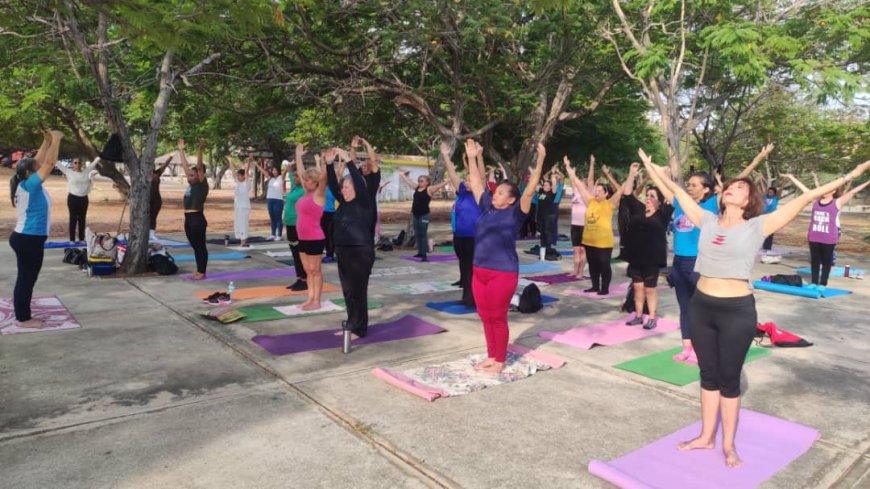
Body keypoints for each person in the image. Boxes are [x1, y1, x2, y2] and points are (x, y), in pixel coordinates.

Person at [641, 149, 868, 468]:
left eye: (740, 187)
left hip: (736, 311)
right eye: (730, 185)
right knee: (708, 375)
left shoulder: (758, 225)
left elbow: (803, 200)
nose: (732, 188)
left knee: (729, 379)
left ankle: (729, 445)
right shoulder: (705, 219)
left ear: (749, 201)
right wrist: (652, 167)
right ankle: (706, 437)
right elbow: (676, 190)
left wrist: (850, 175)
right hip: (702, 307)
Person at [465, 139, 545, 375]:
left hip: (503, 272)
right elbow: (478, 183)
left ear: (511, 199)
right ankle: (491, 355)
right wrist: (471, 157)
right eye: (495, 191)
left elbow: (530, 189)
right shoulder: (487, 208)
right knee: (484, 315)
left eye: (500, 192)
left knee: (497, 317)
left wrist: (540, 160)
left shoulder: (516, 213)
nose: (495, 194)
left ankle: (499, 360)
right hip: (479, 270)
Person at [8, 130, 63, 328]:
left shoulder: (25, 181)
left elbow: (38, 161)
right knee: (26, 279)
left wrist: (46, 140)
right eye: (36, 168)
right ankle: (23, 319)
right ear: (30, 173)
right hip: (27, 239)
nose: (40, 167)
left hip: (27, 238)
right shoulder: (30, 185)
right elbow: (48, 164)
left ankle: (23, 314)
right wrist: (56, 140)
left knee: (28, 278)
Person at [783, 173, 870, 292]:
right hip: (814, 236)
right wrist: (791, 177)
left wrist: (868, 182)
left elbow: (853, 192)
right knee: (814, 260)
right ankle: (814, 282)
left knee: (826, 261)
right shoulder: (815, 201)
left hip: (829, 237)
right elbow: (804, 190)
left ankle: (823, 283)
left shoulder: (837, 202)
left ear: (834, 191)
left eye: (829, 188)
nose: (825, 190)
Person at [567, 157, 634, 295]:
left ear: (605, 194)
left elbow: (621, 190)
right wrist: (569, 169)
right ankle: (595, 286)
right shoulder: (590, 201)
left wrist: (631, 174)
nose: (596, 193)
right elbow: (579, 185)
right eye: (596, 191)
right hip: (589, 241)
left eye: (599, 191)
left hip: (604, 243)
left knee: (604, 265)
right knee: (593, 265)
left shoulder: (609, 204)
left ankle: (605, 288)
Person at [327, 150, 376, 338]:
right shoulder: (343, 202)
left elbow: (356, 177)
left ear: (357, 188)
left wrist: (348, 160)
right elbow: (332, 185)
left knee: (358, 291)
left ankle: (360, 328)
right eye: (343, 188)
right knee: (348, 291)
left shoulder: (364, 201)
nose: (344, 190)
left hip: (360, 252)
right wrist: (329, 164)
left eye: (348, 187)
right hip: (343, 250)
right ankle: (351, 323)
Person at [620, 181, 673, 330]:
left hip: (652, 259)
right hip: (636, 257)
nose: (648, 198)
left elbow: (672, 195)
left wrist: (663, 176)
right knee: (638, 288)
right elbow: (628, 194)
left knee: (650, 289)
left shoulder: (663, 214)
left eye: (652, 196)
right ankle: (638, 316)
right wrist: (632, 174)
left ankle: (651, 317)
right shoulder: (638, 210)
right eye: (647, 195)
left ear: (659, 201)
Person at [442, 143, 481, 308]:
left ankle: (474, 298)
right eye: (465, 179)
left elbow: (481, 176)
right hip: (460, 236)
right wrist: (445, 155)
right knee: (464, 268)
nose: (466, 182)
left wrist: (477, 155)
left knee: (472, 269)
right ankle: (467, 297)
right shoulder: (462, 192)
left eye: (469, 180)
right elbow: (452, 174)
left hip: (474, 237)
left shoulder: (480, 194)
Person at [296, 152, 329, 310]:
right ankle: (310, 298)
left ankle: (317, 301)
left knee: (315, 270)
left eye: (309, 180)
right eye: (306, 179)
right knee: (308, 270)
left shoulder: (319, 194)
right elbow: (301, 172)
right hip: (302, 238)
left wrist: (322, 161)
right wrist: (298, 155)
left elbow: (324, 177)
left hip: (315, 238)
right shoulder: (305, 193)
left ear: (316, 183)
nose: (305, 181)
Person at [399, 166, 448, 261]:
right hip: (415, 214)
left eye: (422, 181)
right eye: (419, 181)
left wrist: (448, 181)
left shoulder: (429, 189)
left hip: (424, 214)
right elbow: (409, 182)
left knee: (423, 234)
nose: (419, 182)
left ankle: (424, 254)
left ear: (427, 182)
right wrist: (402, 175)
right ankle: (420, 252)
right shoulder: (416, 188)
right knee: (417, 234)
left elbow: (439, 186)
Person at [178, 138, 209, 280]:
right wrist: (181, 150)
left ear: (199, 175)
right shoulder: (191, 184)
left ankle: (202, 272)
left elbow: (199, 166)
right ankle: (199, 270)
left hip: (197, 218)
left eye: (192, 174)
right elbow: (185, 166)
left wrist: (200, 150)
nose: (189, 176)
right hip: (188, 219)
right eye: (189, 174)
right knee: (195, 246)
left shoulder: (201, 184)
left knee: (200, 246)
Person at [57, 156, 100, 243]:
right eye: (75, 163)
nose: (77, 164)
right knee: (73, 218)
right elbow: (56, 162)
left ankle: (81, 238)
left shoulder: (86, 171)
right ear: (72, 164)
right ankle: (72, 239)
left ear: (82, 164)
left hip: (83, 199)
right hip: (72, 198)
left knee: (82, 219)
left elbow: (95, 162)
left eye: (79, 162)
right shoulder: (68, 172)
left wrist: (100, 156)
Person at [564, 156, 595, 278]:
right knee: (576, 250)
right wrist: (567, 165)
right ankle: (575, 270)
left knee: (583, 250)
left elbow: (591, 179)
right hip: (575, 225)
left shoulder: (589, 194)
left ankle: (581, 272)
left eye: (583, 182)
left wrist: (592, 163)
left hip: (585, 225)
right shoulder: (576, 192)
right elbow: (572, 178)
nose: (580, 183)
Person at [284, 148, 308, 291]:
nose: (295, 177)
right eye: (294, 176)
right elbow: (290, 174)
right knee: (294, 253)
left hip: (298, 225)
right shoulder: (294, 188)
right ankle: (299, 278)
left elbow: (302, 173)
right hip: (289, 225)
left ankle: (304, 279)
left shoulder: (304, 190)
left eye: (297, 176)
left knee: (300, 253)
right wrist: (291, 166)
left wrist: (299, 158)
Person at [227, 156, 252, 248]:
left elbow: (247, 172)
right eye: (237, 176)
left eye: (239, 175)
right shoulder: (238, 182)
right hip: (238, 207)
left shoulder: (247, 183)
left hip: (244, 207)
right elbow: (233, 172)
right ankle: (241, 240)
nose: (237, 177)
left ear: (243, 176)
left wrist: (249, 162)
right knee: (238, 223)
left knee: (243, 224)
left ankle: (243, 241)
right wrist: (230, 161)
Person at [260, 160, 285, 241]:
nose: (274, 171)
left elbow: (285, 171)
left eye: (276, 170)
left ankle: (279, 235)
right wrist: (256, 164)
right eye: (273, 170)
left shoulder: (281, 178)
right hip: (270, 200)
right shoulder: (270, 178)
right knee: (272, 218)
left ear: (278, 171)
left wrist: (289, 165)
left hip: (278, 200)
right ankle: (273, 234)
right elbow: (263, 171)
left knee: (278, 218)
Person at [150, 155, 173, 241]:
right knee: (146, 217)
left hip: (156, 200)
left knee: (153, 217)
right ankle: (146, 233)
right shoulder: (142, 176)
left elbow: (165, 165)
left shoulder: (157, 173)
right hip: (146, 201)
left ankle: (152, 234)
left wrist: (170, 157)